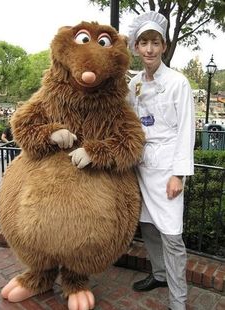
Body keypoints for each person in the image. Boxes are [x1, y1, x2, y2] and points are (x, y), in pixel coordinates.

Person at [127, 11, 195, 310]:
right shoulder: (134, 84)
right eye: (144, 43)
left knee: (172, 236)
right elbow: (128, 121)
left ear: (163, 46)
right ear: (136, 47)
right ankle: (158, 274)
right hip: (141, 166)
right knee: (149, 228)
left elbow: (186, 131)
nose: (150, 49)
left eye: (155, 42)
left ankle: (178, 302)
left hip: (167, 167)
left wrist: (178, 174)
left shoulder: (179, 83)